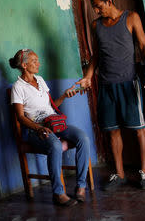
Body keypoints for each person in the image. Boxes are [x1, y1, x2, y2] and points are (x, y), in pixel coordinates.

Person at [76, 0, 145, 190]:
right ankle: (119, 174)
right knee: (112, 131)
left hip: (128, 83)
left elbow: (144, 46)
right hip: (106, 86)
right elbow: (97, 56)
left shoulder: (131, 18)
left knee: (139, 129)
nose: (96, 11)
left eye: (98, 6)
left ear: (109, 1)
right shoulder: (96, 25)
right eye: (94, 7)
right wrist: (88, 76)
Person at [10, 49, 90, 206]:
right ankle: (58, 193)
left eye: (38, 60)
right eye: (34, 61)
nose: (38, 63)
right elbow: (20, 117)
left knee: (83, 138)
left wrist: (64, 96)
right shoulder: (17, 87)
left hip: (54, 122)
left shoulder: (40, 80)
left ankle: (81, 186)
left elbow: (51, 106)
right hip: (35, 128)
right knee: (54, 145)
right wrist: (38, 128)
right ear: (25, 65)